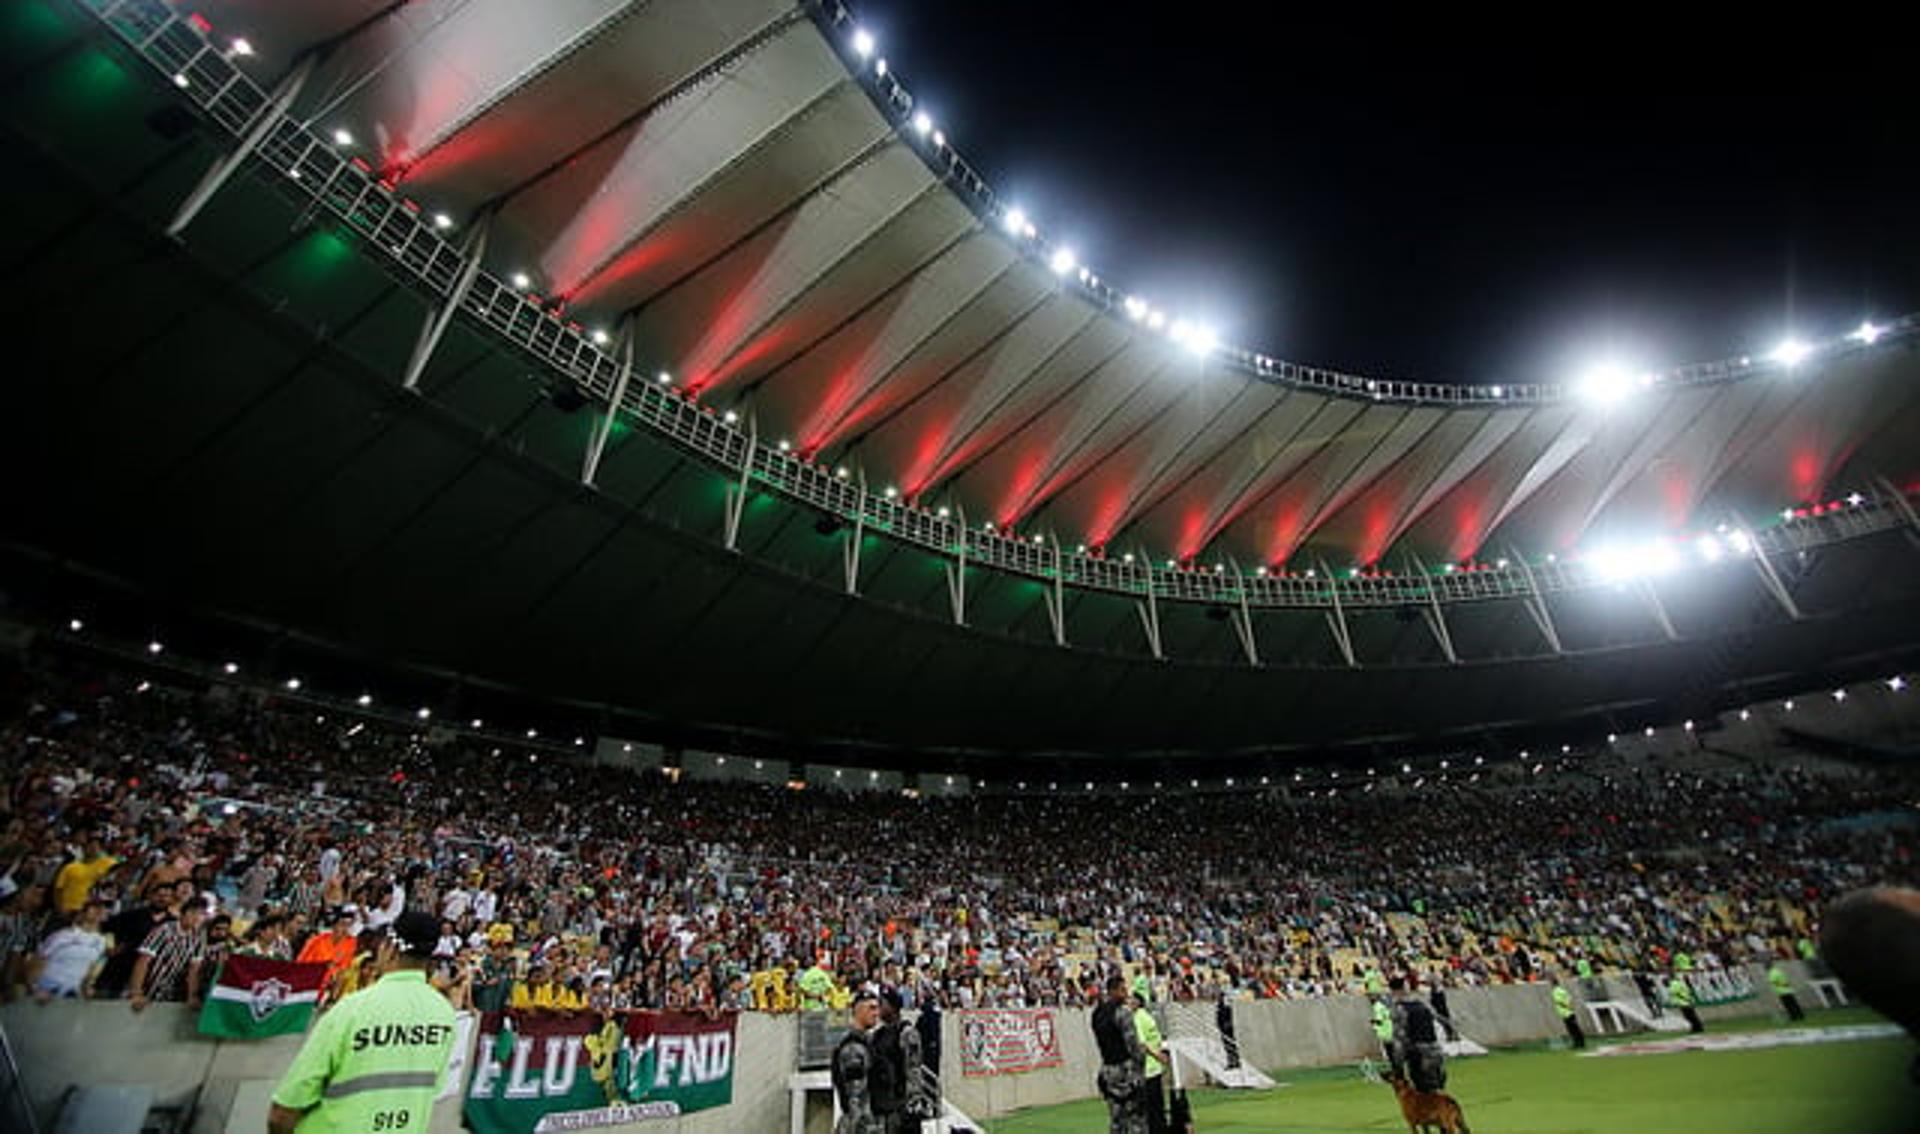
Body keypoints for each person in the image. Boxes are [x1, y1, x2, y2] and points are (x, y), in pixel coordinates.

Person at [268, 909, 457, 1134]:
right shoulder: (444, 1013)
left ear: (390, 949)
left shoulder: (353, 1008)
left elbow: (284, 1110)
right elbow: (433, 1088)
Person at [1091, 974, 1148, 1134]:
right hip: (1127, 1071)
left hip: (1108, 1071)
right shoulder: (1123, 1012)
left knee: (1116, 1120)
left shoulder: (1097, 1013)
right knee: (1137, 1118)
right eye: (1123, 990)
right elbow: (1133, 1046)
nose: (1126, 994)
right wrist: (1141, 1063)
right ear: (1113, 991)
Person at [868, 988, 928, 1133]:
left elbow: (913, 1068)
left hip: (900, 1104)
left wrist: (913, 1102)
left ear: (893, 1007)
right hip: (882, 1105)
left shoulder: (906, 1033)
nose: (879, 1009)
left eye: (882, 1004)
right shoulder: (877, 1035)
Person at [30, 899, 108, 1000]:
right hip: (47, 993)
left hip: (72, 995)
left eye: (100, 909)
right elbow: (38, 961)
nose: (98, 911)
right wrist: (35, 989)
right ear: (81, 913)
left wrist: (86, 987)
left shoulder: (101, 941)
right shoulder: (62, 935)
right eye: (94, 908)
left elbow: (90, 969)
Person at [830, 991, 883, 1134]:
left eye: (877, 1008)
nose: (876, 1013)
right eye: (871, 1008)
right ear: (858, 1011)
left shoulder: (867, 1043)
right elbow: (856, 1099)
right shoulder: (853, 1049)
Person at [1132, 977, 1172, 1134]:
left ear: (1138, 1001)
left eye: (1132, 999)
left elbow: (1142, 1044)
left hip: (1146, 1069)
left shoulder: (1137, 1019)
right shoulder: (1149, 1017)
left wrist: (1157, 1056)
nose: (1129, 1002)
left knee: (1148, 1112)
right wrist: (1161, 1056)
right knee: (1158, 1109)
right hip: (1155, 1069)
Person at [1553, 977, 1586, 1049]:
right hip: (1569, 1012)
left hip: (1566, 1013)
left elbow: (1559, 1001)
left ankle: (1578, 1043)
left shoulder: (1556, 991)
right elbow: (1569, 999)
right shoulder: (1563, 990)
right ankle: (1580, 1043)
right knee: (1575, 1029)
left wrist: (1565, 1006)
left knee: (1572, 1030)